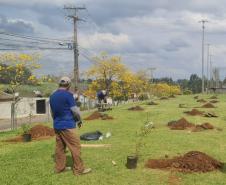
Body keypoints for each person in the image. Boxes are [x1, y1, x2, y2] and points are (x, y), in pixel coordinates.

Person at [50, 76, 91, 175]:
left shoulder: (52, 96)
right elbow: (75, 111)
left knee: (60, 148)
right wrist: (79, 120)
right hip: (68, 125)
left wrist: (56, 121)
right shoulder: (68, 95)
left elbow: (52, 112)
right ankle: (79, 170)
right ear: (68, 85)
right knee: (75, 147)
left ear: (59, 84)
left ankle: (60, 168)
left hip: (57, 125)